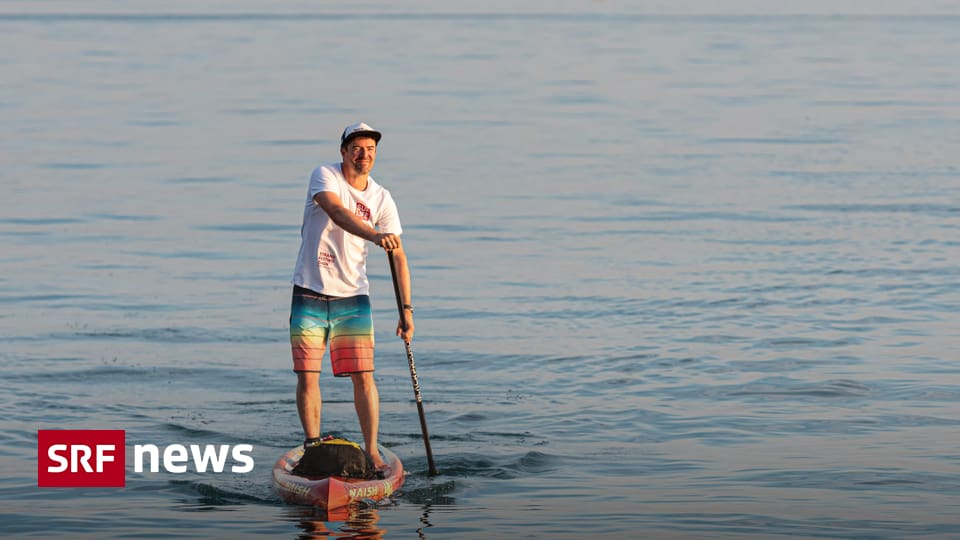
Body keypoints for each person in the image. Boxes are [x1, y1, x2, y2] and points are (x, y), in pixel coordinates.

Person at [289, 122, 414, 471]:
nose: (364, 155)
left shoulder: (382, 198)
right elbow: (337, 212)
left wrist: (406, 310)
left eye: (370, 150)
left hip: (353, 297)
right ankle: (312, 447)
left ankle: (371, 451)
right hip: (310, 291)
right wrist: (374, 235)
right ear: (344, 151)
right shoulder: (324, 176)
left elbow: (399, 256)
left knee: (363, 376)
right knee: (308, 374)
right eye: (357, 148)